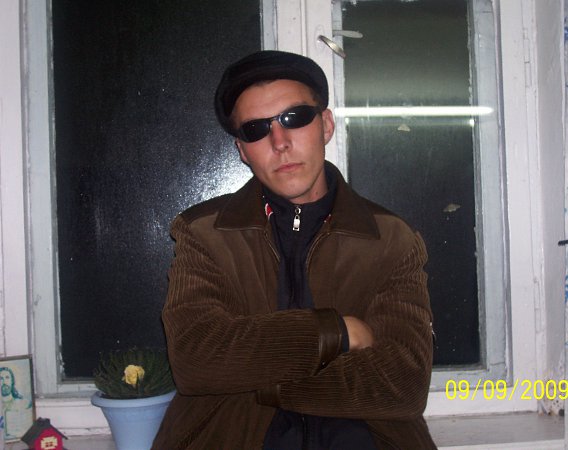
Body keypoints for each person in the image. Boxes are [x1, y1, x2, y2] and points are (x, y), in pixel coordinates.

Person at [153, 50, 436, 449]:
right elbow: (195, 359)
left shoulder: (391, 239)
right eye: (256, 129)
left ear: (326, 125)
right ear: (242, 150)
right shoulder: (204, 233)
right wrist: (336, 331)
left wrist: (261, 380)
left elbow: (401, 384)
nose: (280, 142)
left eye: (295, 118)